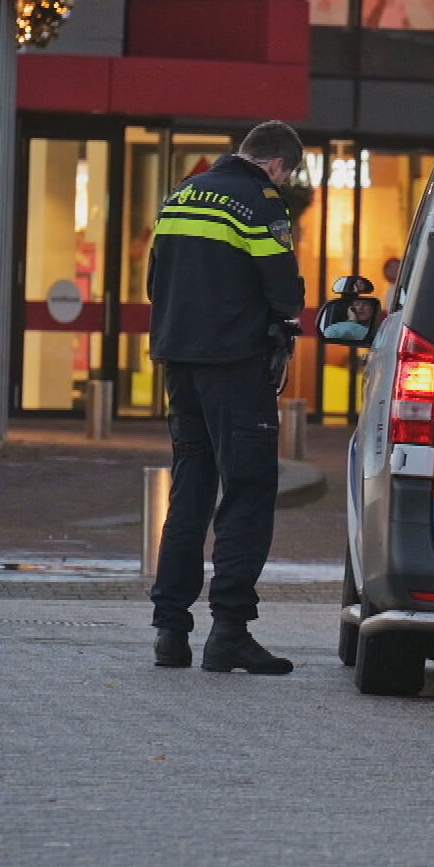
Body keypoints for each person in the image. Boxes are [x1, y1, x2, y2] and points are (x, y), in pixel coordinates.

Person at [147, 120, 307, 674]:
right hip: (235, 367)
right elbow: (283, 288)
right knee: (248, 489)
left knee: (190, 489)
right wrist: (285, 323)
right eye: (286, 177)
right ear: (277, 166)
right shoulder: (260, 202)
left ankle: (171, 630)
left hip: (180, 362)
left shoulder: (182, 194)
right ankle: (230, 631)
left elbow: (155, 279)